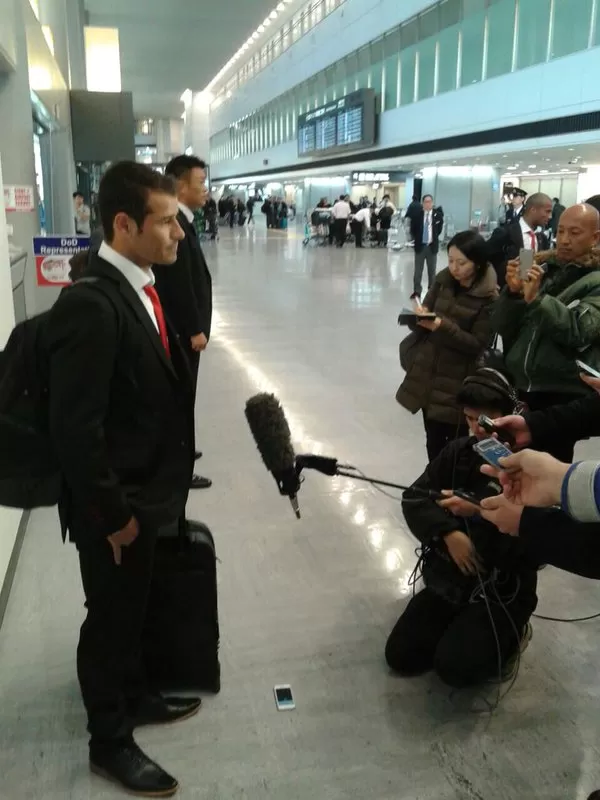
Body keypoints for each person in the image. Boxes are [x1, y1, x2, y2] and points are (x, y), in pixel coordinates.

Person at [45, 162, 199, 797]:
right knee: (109, 618)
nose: (178, 235)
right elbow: (76, 429)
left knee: (136, 608)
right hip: (115, 507)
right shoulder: (91, 302)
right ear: (124, 224)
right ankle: (108, 739)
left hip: (147, 491)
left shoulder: (142, 286)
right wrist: (113, 516)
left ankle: (135, 695)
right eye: (167, 222)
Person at [386, 368, 538, 687]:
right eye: (469, 419)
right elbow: (415, 497)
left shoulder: (531, 466)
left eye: (484, 421)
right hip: (453, 578)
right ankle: (458, 623)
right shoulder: (459, 454)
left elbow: (533, 548)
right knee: (402, 655)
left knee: (455, 668)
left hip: (501, 589)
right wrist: (447, 533)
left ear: (509, 416)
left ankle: (514, 631)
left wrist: (480, 513)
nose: (476, 429)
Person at [491, 203, 600, 462]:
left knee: (544, 474)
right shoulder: (545, 268)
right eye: (561, 231)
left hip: (561, 393)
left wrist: (538, 299)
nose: (564, 240)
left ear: (596, 237)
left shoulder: (595, 281)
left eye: (574, 233)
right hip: (522, 387)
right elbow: (501, 326)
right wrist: (515, 294)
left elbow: (579, 331)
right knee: (509, 468)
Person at [396, 230, 497, 461]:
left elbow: (477, 344)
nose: (454, 268)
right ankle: (435, 488)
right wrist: (418, 317)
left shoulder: (489, 299)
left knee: (454, 446)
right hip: (428, 374)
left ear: (478, 263)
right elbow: (426, 317)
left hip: (457, 380)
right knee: (432, 441)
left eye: (461, 262)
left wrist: (441, 326)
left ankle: (450, 490)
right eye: (450, 260)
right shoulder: (443, 282)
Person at [152, 155, 213, 491]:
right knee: (181, 398)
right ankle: (180, 466)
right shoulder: (177, 225)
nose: (205, 189)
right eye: (200, 182)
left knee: (184, 397)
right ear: (180, 185)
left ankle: (184, 451)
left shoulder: (185, 222)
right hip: (182, 332)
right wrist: (194, 328)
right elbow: (179, 284)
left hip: (184, 330)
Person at [486, 193, 552, 287]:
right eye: (547, 211)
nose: (550, 216)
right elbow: (488, 261)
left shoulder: (542, 238)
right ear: (533, 210)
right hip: (507, 293)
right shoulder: (505, 233)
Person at [409, 194, 444, 300]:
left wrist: (431, 238)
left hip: (432, 247)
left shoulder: (437, 215)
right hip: (420, 246)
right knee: (418, 271)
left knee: (432, 271)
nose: (428, 204)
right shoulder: (417, 215)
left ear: (432, 203)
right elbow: (413, 230)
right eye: (426, 202)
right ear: (423, 204)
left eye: (430, 202)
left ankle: (431, 291)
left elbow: (438, 230)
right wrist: (419, 239)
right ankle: (417, 291)